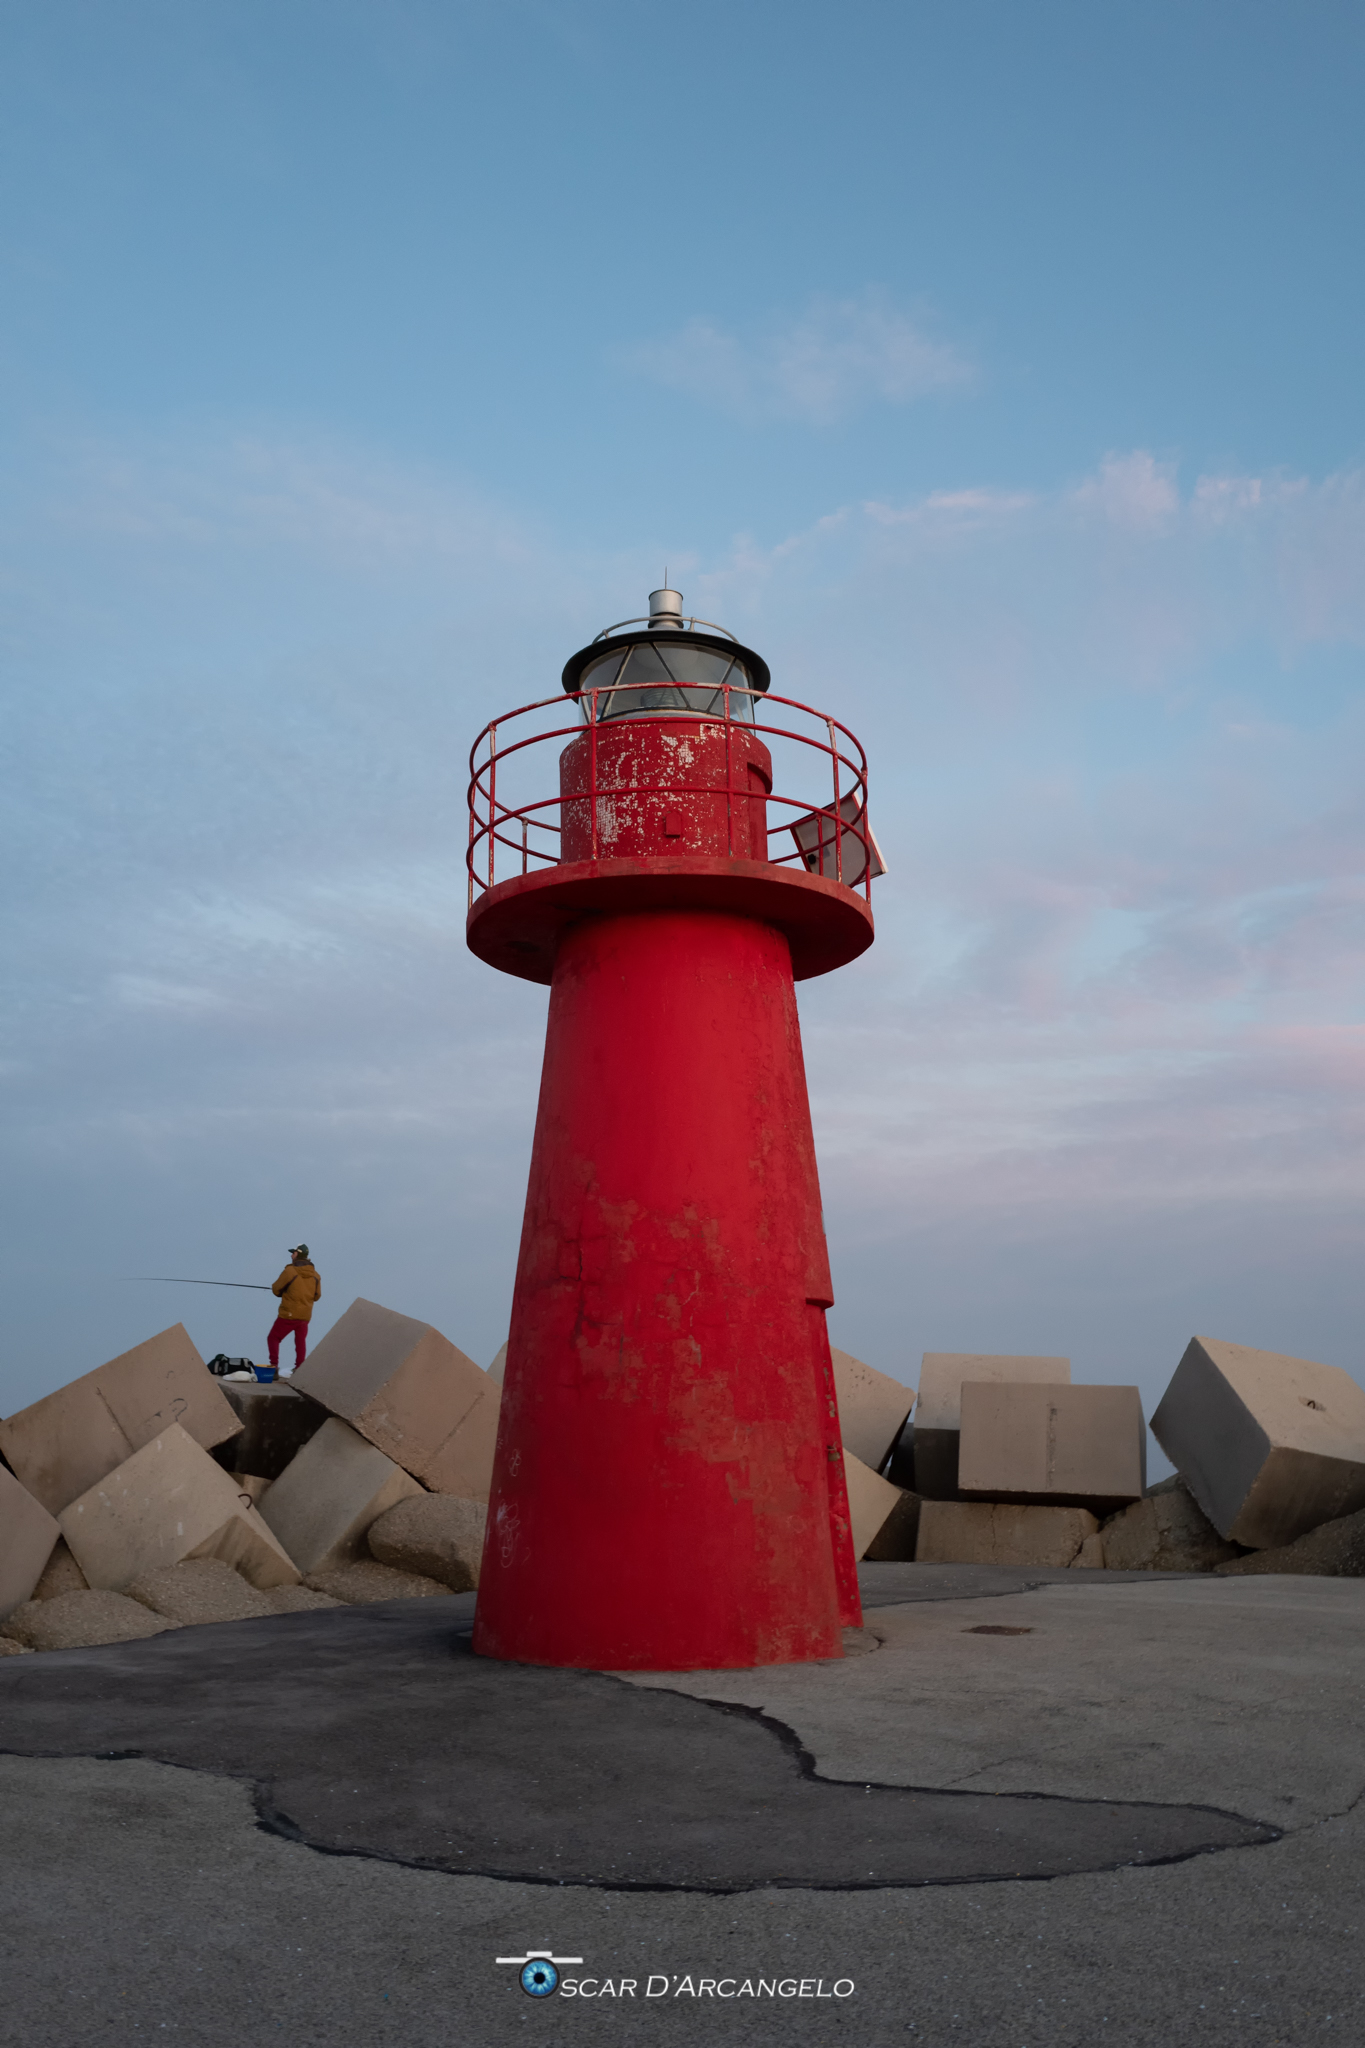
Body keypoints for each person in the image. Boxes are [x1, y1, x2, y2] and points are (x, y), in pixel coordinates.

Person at [266, 1244, 321, 1374]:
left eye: (293, 1253)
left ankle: (273, 1366)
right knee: (300, 1342)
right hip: (305, 1315)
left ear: (298, 1255)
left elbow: (276, 1289)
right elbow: (317, 1296)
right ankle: (300, 1369)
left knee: (273, 1338)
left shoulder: (290, 1271)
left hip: (288, 1314)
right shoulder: (316, 1275)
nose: (291, 1255)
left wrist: (284, 1292)